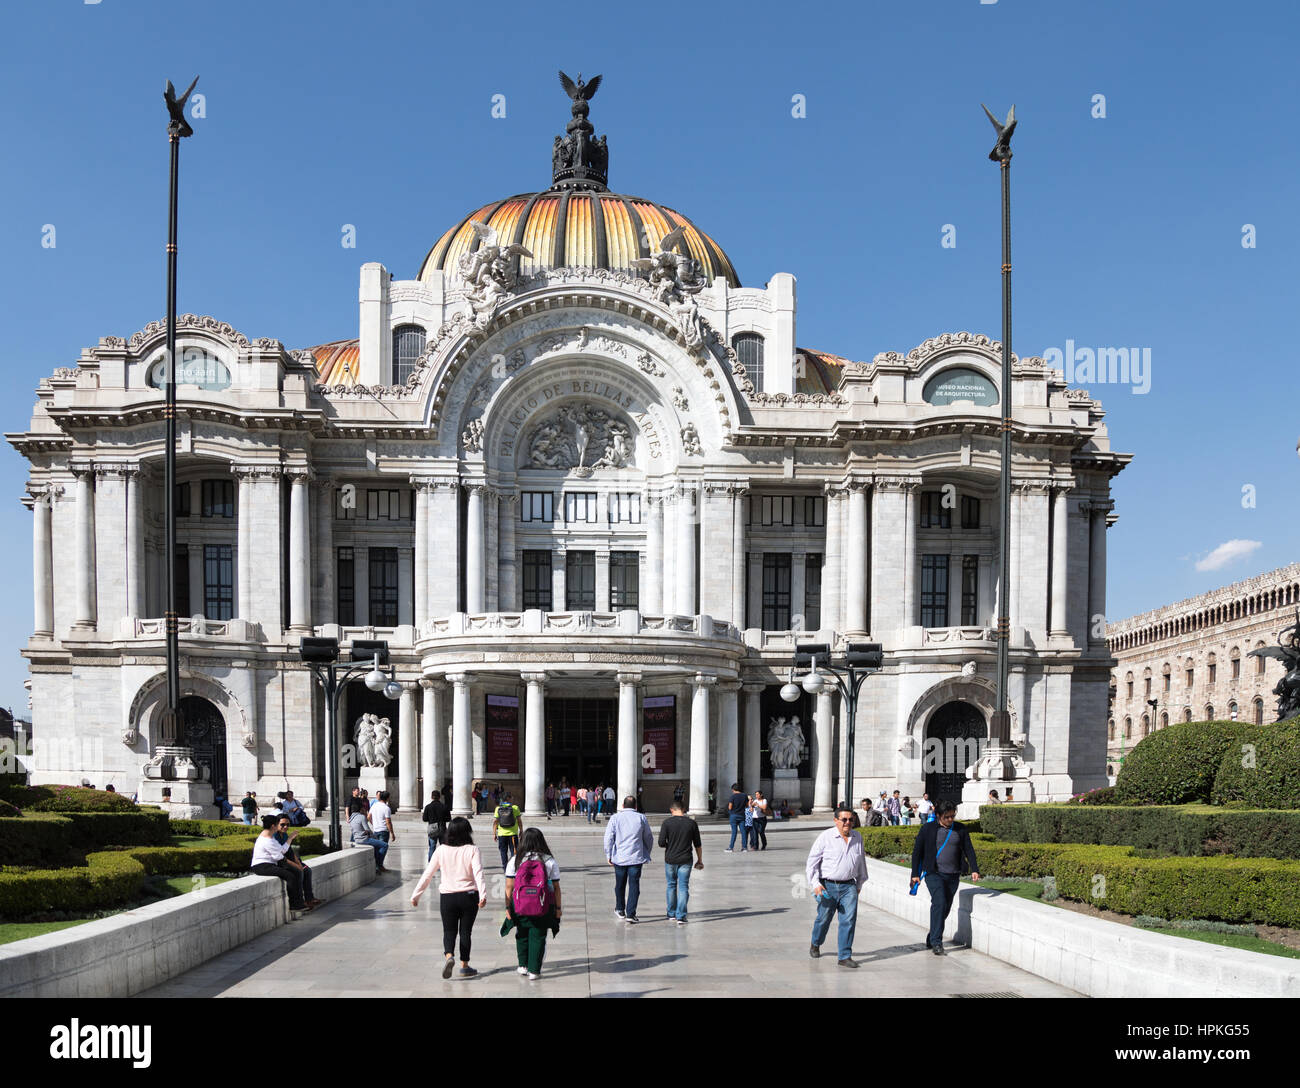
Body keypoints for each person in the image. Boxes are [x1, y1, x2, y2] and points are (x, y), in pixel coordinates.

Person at [411, 816, 486, 979]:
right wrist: (483, 894)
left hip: (448, 897)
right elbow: (478, 873)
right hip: (469, 896)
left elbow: (428, 874)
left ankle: (449, 956)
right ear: (468, 832)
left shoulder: (441, 850)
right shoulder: (472, 850)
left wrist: (416, 895)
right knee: (466, 932)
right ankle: (465, 966)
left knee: (449, 930)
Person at [909, 800, 981, 956]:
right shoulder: (928, 828)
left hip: (953, 874)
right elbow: (917, 852)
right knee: (939, 902)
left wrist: (974, 869)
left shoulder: (960, 829)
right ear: (938, 815)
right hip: (934, 873)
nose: (950, 820)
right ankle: (937, 942)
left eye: (952, 816)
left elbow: (969, 849)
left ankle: (932, 936)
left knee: (945, 907)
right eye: (946, 817)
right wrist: (915, 873)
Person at [805, 805, 868, 968]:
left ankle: (844, 956)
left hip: (849, 887)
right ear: (836, 820)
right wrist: (815, 884)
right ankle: (815, 942)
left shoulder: (857, 837)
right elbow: (812, 863)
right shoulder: (825, 837)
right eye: (844, 819)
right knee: (823, 918)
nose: (847, 823)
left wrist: (860, 882)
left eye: (850, 820)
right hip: (828, 886)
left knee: (848, 920)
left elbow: (861, 861)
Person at [503, 826, 562, 979]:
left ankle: (522, 966)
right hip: (542, 904)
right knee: (538, 935)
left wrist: (507, 907)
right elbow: (556, 887)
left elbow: (509, 886)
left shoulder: (515, 860)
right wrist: (558, 908)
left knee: (522, 933)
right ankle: (534, 970)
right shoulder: (549, 861)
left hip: (519, 903)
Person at [603, 796, 654, 923]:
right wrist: (646, 852)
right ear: (635, 806)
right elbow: (648, 837)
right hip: (636, 857)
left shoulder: (615, 818)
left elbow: (608, 838)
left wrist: (608, 854)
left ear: (622, 805)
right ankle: (631, 913)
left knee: (620, 884)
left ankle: (620, 908)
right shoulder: (641, 818)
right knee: (634, 885)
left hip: (619, 858)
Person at [251, 814, 311, 912]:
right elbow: (279, 857)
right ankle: (294, 905)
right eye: (278, 824)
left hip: (269, 864)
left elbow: (282, 850)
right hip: (261, 866)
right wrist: (296, 866)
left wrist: (290, 839)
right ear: (273, 826)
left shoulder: (269, 837)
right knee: (290, 876)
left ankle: (299, 902)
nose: (281, 827)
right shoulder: (267, 840)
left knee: (296, 872)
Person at [658, 798, 703, 924]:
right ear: (683, 809)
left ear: (671, 810)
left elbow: (661, 843)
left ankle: (671, 913)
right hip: (686, 859)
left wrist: (669, 844)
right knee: (683, 887)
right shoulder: (691, 823)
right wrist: (700, 860)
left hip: (670, 859)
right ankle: (681, 915)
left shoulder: (666, 823)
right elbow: (697, 844)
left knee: (671, 885)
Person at [273, 816, 323, 908]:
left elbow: (290, 851)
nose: (285, 827)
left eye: (287, 825)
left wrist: (299, 863)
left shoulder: (284, 835)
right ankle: (300, 901)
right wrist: (296, 866)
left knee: (307, 870)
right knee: (299, 872)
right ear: (276, 824)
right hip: (281, 861)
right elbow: (280, 855)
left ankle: (309, 899)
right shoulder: (274, 836)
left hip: (288, 859)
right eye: (282, 824)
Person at [349, 804, 389, 872]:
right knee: (385, 845)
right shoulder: (361, 817)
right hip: (364, 839)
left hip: (356, 839)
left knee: (376, 846)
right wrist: (375, 837)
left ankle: (376, 865)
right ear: (360, 809)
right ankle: (379, 865)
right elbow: (367, 830)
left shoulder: (351, 818)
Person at [492, 791, 523, 869]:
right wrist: (521, 831)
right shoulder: (515, 808)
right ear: (508, 798)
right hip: (513, 834)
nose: (512, 798)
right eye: (511, 797)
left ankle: (505, 868)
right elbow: (519, 821)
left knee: (503, 852)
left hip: (502, 834)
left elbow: (495, 822)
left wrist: (494, 833)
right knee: (514, 852)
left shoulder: (498, 809)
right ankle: (513, 868)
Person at [422, 789, 451, 862]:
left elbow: (425, 819)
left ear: (432, 797)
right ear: (439, 797)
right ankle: (444, 862)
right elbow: (448, 819)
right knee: (443, 847)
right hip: (442, 828)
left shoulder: (428, 807)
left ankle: (431, 863)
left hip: (432, 828)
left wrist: (431, 819)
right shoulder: (444, 806)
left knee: (432, 847)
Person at [724, 782, 750, 852]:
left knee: (734, 832)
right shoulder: (744, 795)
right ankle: (744, 847)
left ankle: (731, 847)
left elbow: (730, 807)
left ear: (733, 789)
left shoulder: (733, 796)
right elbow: (747, 805)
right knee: (743, 832)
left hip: (734, 815)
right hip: (742, 815)